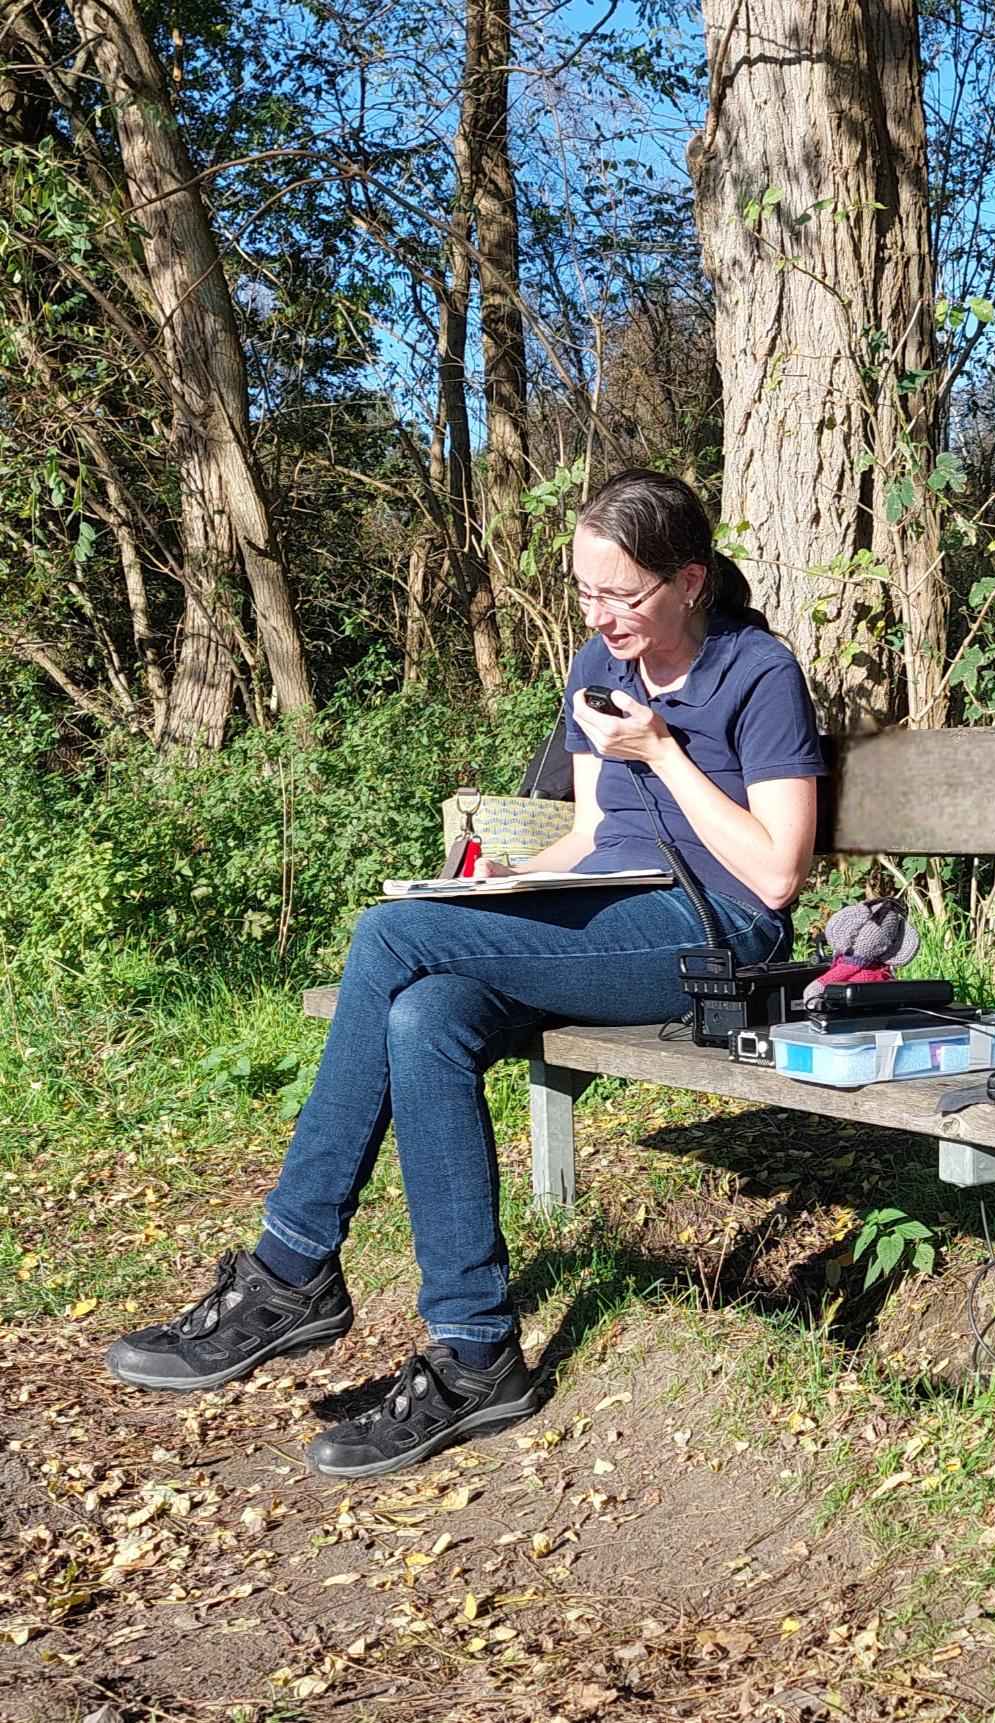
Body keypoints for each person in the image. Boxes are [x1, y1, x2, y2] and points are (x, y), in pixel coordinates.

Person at [104, 470, 826, 1478]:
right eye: (586, 592)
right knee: (426, 1013)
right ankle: (478, 1350)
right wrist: (492, 887)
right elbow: (591, 834)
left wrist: (663, 753)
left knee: (387, 938)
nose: (601, 616)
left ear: (690, 580)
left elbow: (778, 875)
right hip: (605, 909)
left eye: (623, 595)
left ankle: (289, 1268)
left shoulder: (758, 672)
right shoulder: (596, 664)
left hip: (714, 931)